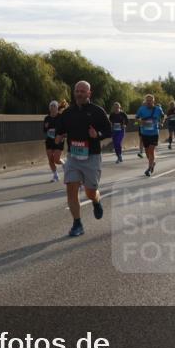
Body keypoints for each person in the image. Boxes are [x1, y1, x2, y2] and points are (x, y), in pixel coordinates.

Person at [55, 81, 112, 236]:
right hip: (73, 157)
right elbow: (60, 131)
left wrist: (97, 135)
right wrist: (59, 137)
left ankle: (96, 200)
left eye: (82, 91)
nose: (79, 94)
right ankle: (77, 224)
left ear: (89, 93)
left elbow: (109, 131)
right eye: (77, 91)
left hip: (91, 157)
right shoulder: (68, 113)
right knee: (71, 189)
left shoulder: (97, 111)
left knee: (90, 192)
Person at [134, 94, 164, 176]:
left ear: (153, 101)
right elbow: (136, 118)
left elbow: (163, 116)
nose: (149, 102)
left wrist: (162, 122)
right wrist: (140, 121)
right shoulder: (141, 109)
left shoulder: (158, 109)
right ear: (145, 101)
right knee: (147, 152)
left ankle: (149, 169)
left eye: (150, 100)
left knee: (151, 150)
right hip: (144, 133)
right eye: (147, 101)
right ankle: (152, 163)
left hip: (154, 133)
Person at [43, 100, 63, 181]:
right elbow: (44, 130)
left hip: (59, 140)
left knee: (56, 160)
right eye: (51, 106)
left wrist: (62, 135)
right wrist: (46, 127)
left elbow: (65, 127)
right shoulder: (47, 118)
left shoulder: (61, 117)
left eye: (54, 106)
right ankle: (55, 175)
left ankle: (64, 164)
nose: (52, 108)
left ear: (57, 108)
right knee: (50, 159)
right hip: (49, 140)